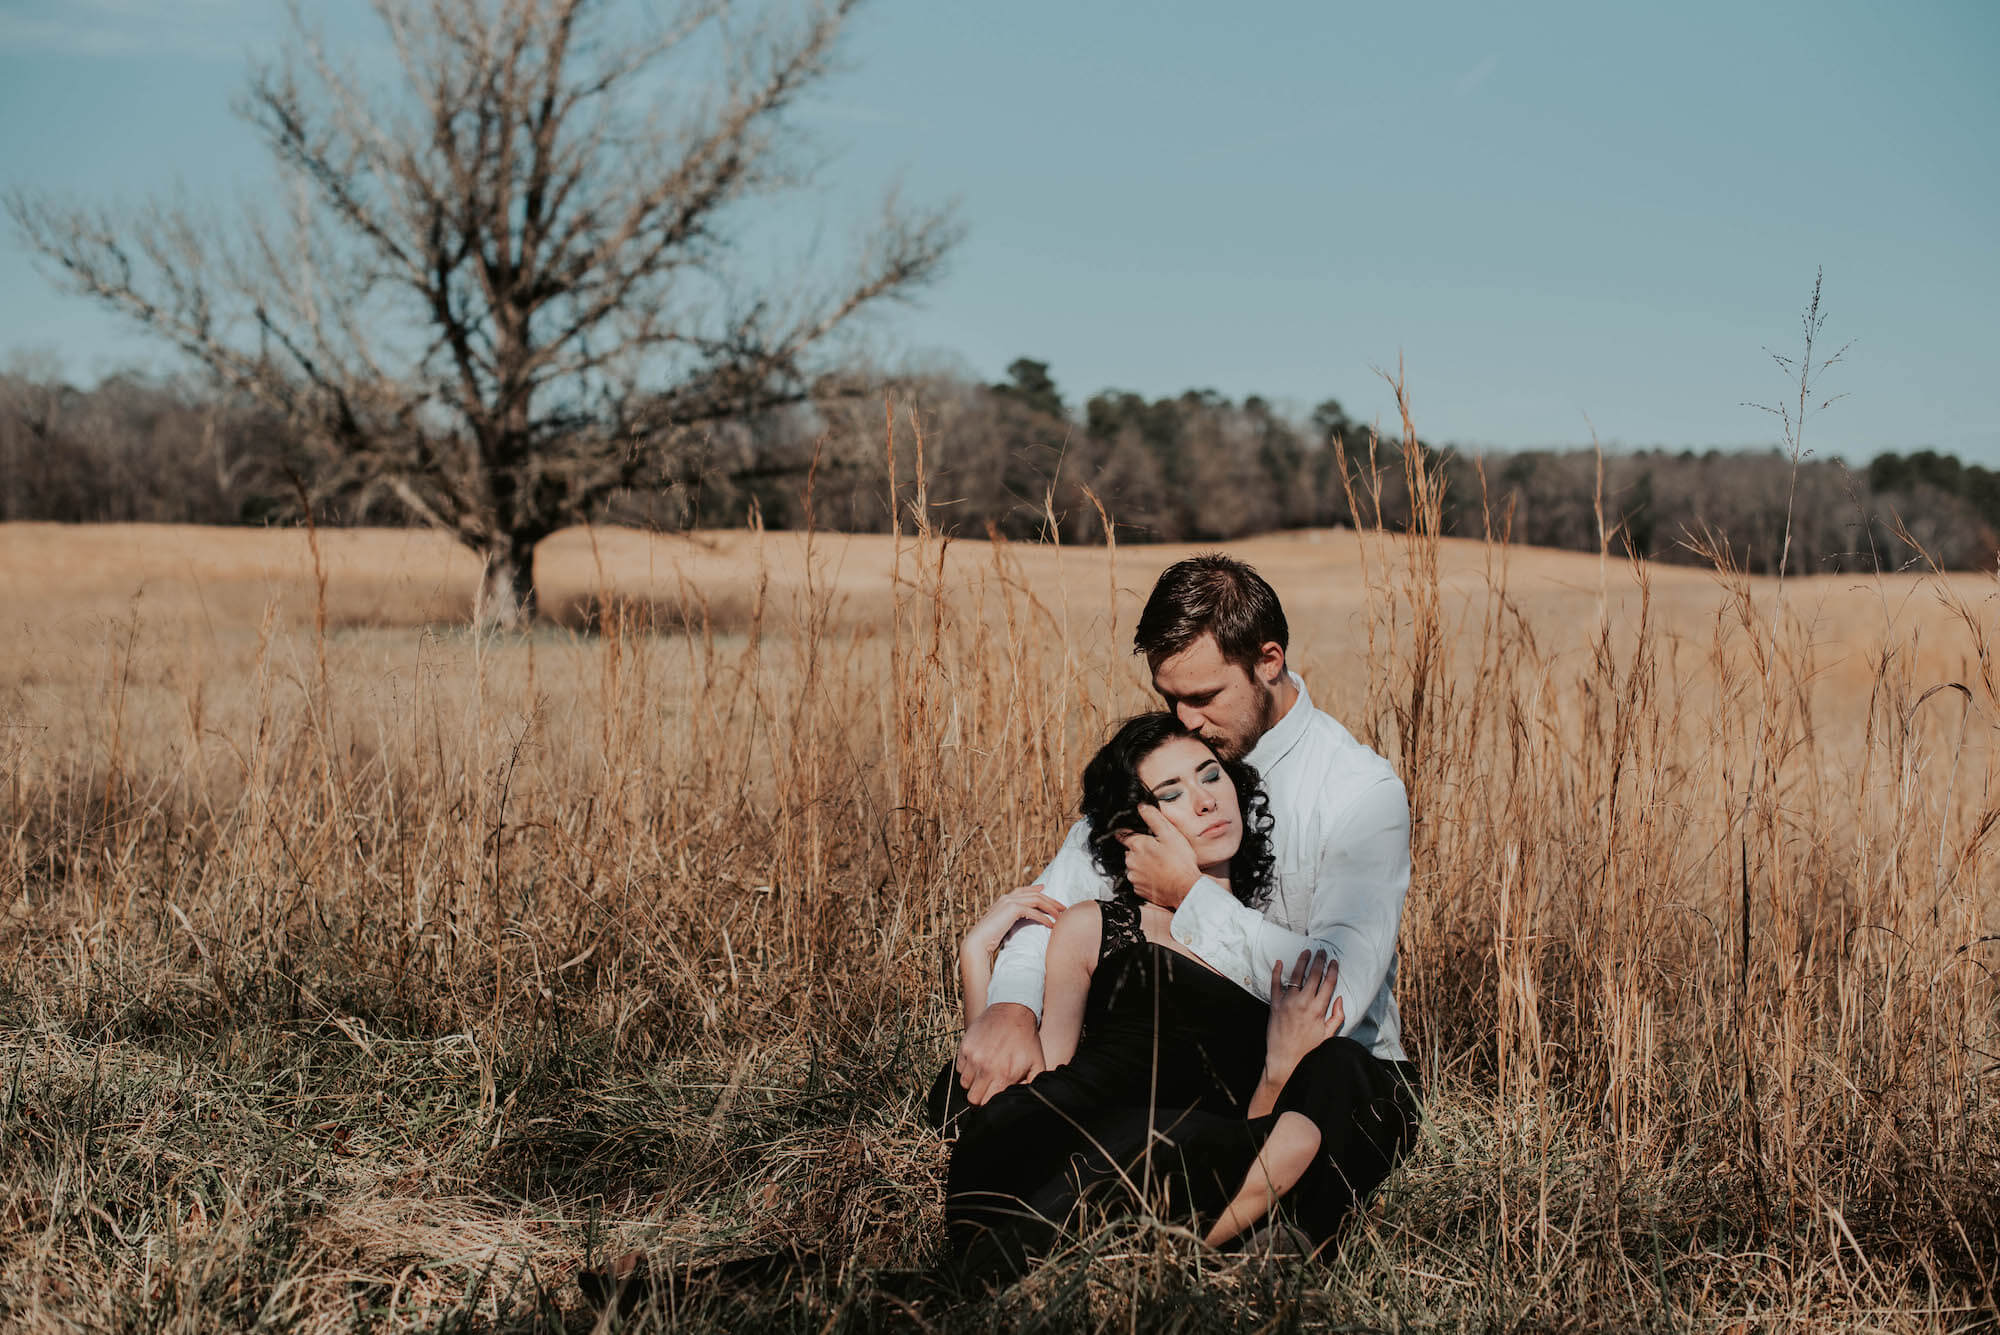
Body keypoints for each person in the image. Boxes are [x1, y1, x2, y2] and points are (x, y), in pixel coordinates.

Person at [938, 554, 1421, 1260]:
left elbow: (1336, 989)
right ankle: (1096, 1222)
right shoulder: (1171, 754)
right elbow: (1060, 894)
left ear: (1268, 661)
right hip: (1195, 1062)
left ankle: (1255, 1245)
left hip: (1319, 1057)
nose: (1186, 720)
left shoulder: (1358, 792)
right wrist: (1011, 1001)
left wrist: (1188, 896)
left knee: (1343, 1079)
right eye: (1170, 698)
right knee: (1050, 1087)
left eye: (1202, 695)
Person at [942, 712, 1371, 1281]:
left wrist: (1278, 1067)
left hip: (1177, 1158)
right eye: (1171, 793)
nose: (1204, 801)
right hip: (1057, 1140)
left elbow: (1248, 1134)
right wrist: (975, 960)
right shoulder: (1099, 924)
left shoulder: (1265, 953)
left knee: (1295, 1134)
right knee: (1254, 1141)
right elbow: (1026, 1075)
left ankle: (1113, 1264)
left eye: (1211, 776)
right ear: (1133, 832)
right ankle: (1108, 1257)